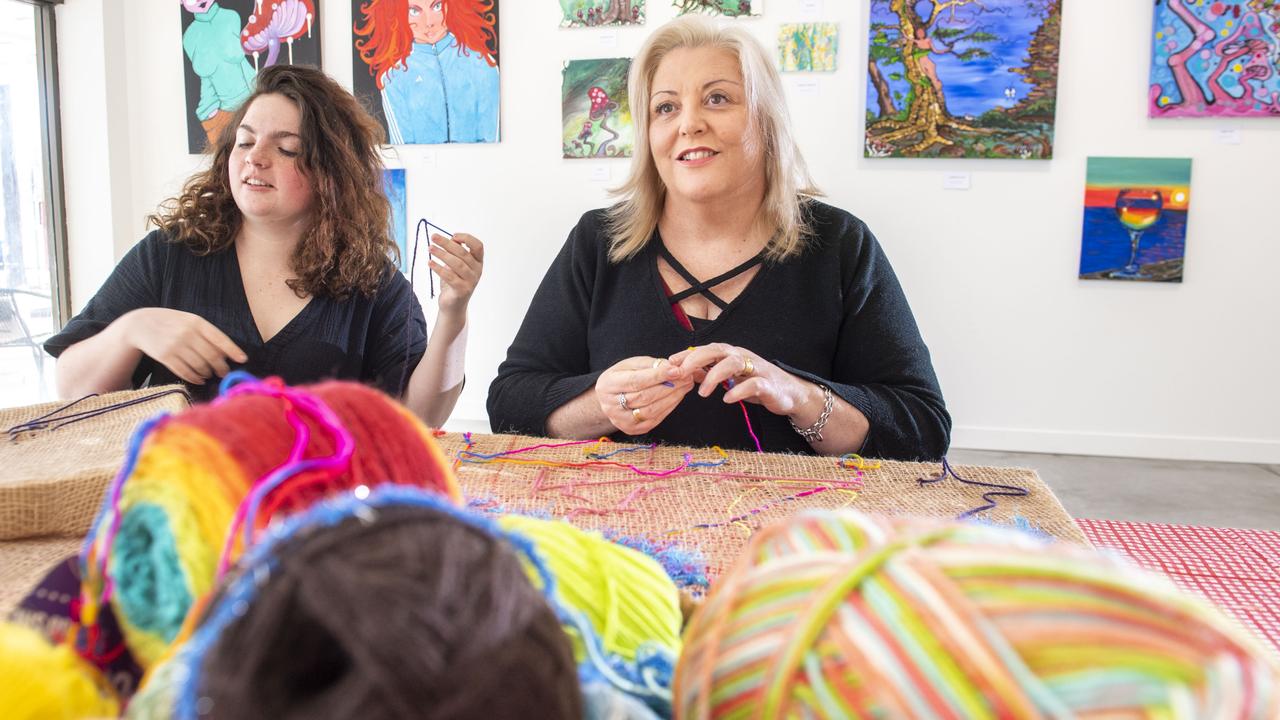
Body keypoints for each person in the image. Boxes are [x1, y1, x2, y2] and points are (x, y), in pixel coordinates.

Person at [488, 16, 949, 460]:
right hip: (619, 526)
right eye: (665, 107)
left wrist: (799, 396)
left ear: (766, 121)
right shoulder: (598, 241)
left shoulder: (839, 244)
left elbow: (923, 430)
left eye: (717, 99)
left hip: (789, 530)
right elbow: (509, 403)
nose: (688, 123)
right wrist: (600, 406)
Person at [45, 65, 484, 428]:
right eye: (246, 141)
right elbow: (72, 389)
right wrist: (131, 330)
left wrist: (453, 313)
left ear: (331, 174)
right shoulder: (168, 255)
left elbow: (421, 419)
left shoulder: (372, 283)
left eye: (287, 149)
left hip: (315, 513)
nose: (256, 158)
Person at [354, 0, 500, 144]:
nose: (429, 22)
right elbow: (403, 150)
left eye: (437, 6)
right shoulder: (394, 77)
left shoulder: (481, 64)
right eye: (414, 11)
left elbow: (492, 144)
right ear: (397, 15)